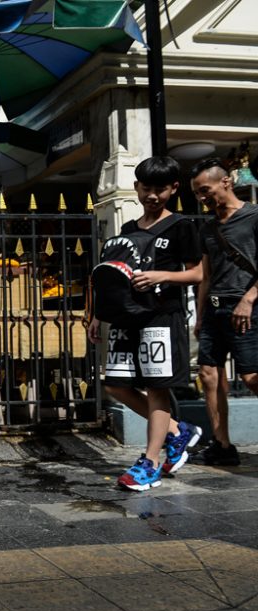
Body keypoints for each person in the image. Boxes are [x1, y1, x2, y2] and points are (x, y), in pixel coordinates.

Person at [88, 156, 203, 491]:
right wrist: (98, 315)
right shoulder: (127, 231)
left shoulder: (182, 226)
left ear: (173, 189)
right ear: (137, 187)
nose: (153, 196)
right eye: (147, 188)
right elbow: (113, 278)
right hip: (126, 318)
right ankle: (177, 431)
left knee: (156, 388)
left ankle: (150, 462)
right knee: (115, 385)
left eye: (161, 189)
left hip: (161, 318)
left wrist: (162, 275)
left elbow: (197, 273)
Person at [190, 157, 258, 466]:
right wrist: (201, 315)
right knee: (208, 375)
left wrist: (249, 298)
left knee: (252, 377)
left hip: (246, 308)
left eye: (205, 190)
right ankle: (222, 444)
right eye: (198, 193)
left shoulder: (254, 216)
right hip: (215, 310)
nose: (202, 198)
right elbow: (205, 275)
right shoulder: (207, 227)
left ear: (226, 182)